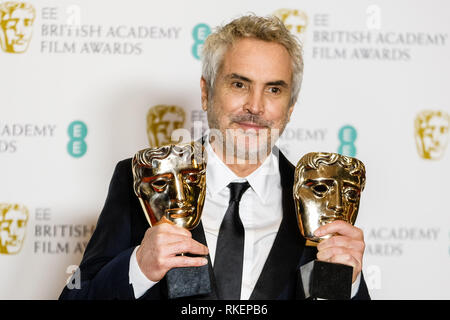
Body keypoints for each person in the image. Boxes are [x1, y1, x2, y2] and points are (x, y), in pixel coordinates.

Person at [59, 14, 370, 300]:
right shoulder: (141, 179)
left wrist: (347, 283)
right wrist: (137, 267)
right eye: (239, 84)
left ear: (290, 107)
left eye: (274, 90)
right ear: (206, 93)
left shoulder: (324, 198)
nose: (255, 106)